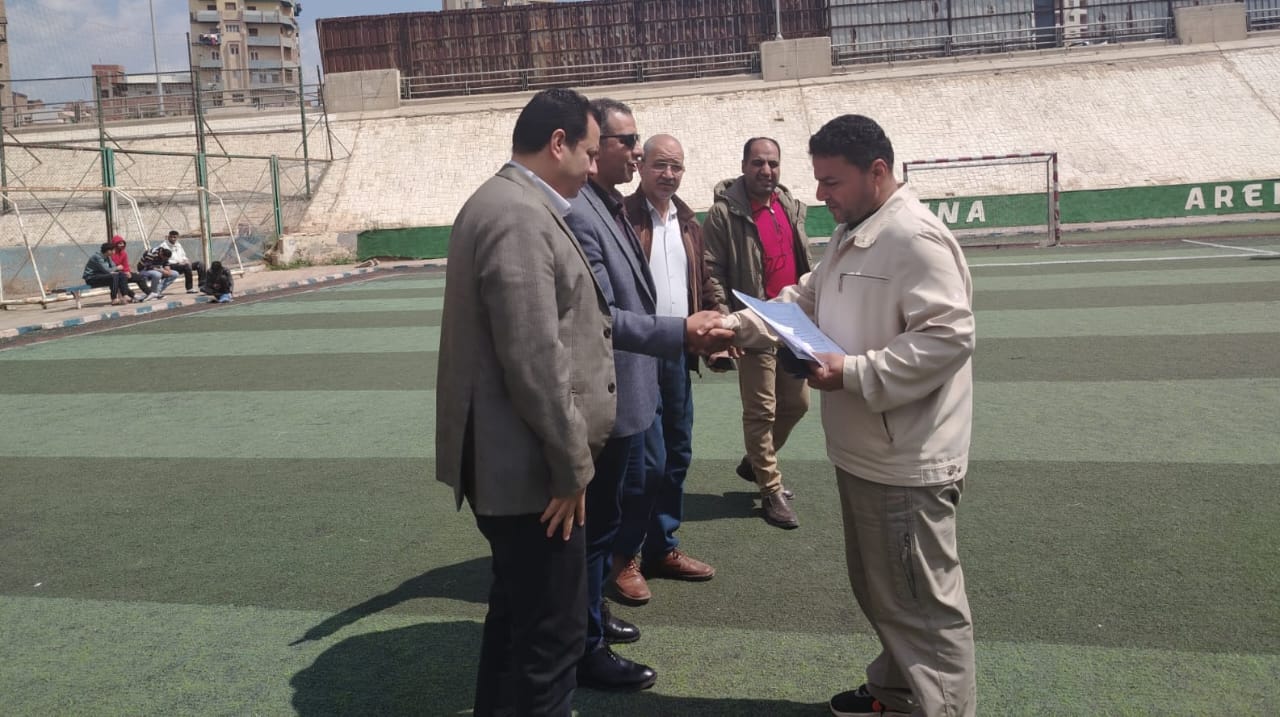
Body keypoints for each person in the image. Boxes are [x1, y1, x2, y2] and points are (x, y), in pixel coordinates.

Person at [717, 114, 977, 717]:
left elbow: (948, 337)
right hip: (868, 450)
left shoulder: (914, 238)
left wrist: (853, 372)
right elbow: (801, 299)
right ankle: (896, 693)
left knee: (923, 610)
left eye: (831, 181)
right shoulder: (852, 232)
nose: (819, 193)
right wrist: (733, 325)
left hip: (905, 459)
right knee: (888, 593)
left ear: (876, 172)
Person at [434, 88, 613, 717]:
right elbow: (534, 357)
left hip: (520, 463)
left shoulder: (513, 203)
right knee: (551, 639)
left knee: (516, 624)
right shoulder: (516, 213)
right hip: (531, 473)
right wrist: (571, 468)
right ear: (559, 143)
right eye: (591, 151)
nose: (595, 165)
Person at [565, 100, 731, 693]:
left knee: (662, 468)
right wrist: (680, 330)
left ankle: (602, 605)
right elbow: (603, 314)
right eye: (629, 143)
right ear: (592, 149)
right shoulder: (587, 209)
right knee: (614, 503)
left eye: (666, 161)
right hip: (626, 371)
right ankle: (587, 638)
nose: (640, 157)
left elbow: (696, 279)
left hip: (661, 359)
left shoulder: (652, 212)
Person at [611, 134, 719, 606]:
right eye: (660, 165)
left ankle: (662, 547)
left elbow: (704, 280)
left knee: (677, 453)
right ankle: (624, 557)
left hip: (677, 353)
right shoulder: (623, 218)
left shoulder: (689, 222)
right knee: (645, 465)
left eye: (676, 166)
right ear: (641, 167)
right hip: (637, 355)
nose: (669, 174)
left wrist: (716, 325)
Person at [702, 137, 812, 529]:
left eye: (772, 163)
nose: (766, 170)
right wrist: (725, 320)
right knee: (761, 410)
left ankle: (754, 462)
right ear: (744, 166)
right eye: (758, 163)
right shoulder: (723, 213)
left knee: (797, 404)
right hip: (752, 322)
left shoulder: (788, 204)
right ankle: (770, 489)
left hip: (791, 322)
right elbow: (712, 269)